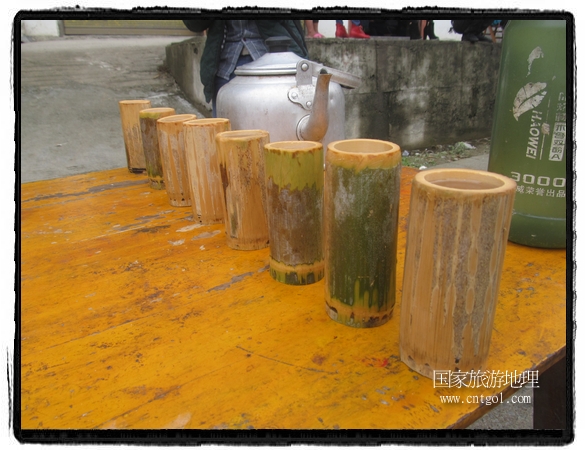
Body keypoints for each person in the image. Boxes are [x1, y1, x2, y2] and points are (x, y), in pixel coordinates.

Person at [183, 20, 309, 116]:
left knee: (281, 134)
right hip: (225, 67)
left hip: (278, 61)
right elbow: (194, 24)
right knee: (226, 136)